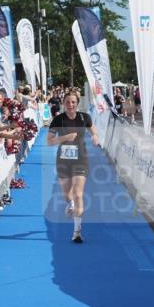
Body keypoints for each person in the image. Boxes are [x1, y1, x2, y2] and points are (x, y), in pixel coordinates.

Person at [47, 92, 97, 243]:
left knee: (77, 193)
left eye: (73, 102)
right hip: (63, 161)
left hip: (80, 160)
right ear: (63, 103)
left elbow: (93, 130)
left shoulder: (84, 117)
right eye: (68, 102)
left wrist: (95, 136)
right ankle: (71, 204)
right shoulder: (58, 119)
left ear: (77, 103)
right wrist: (64, 138)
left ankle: (77, 232)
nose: (70, 105)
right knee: (67, 195)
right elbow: (49, 141)